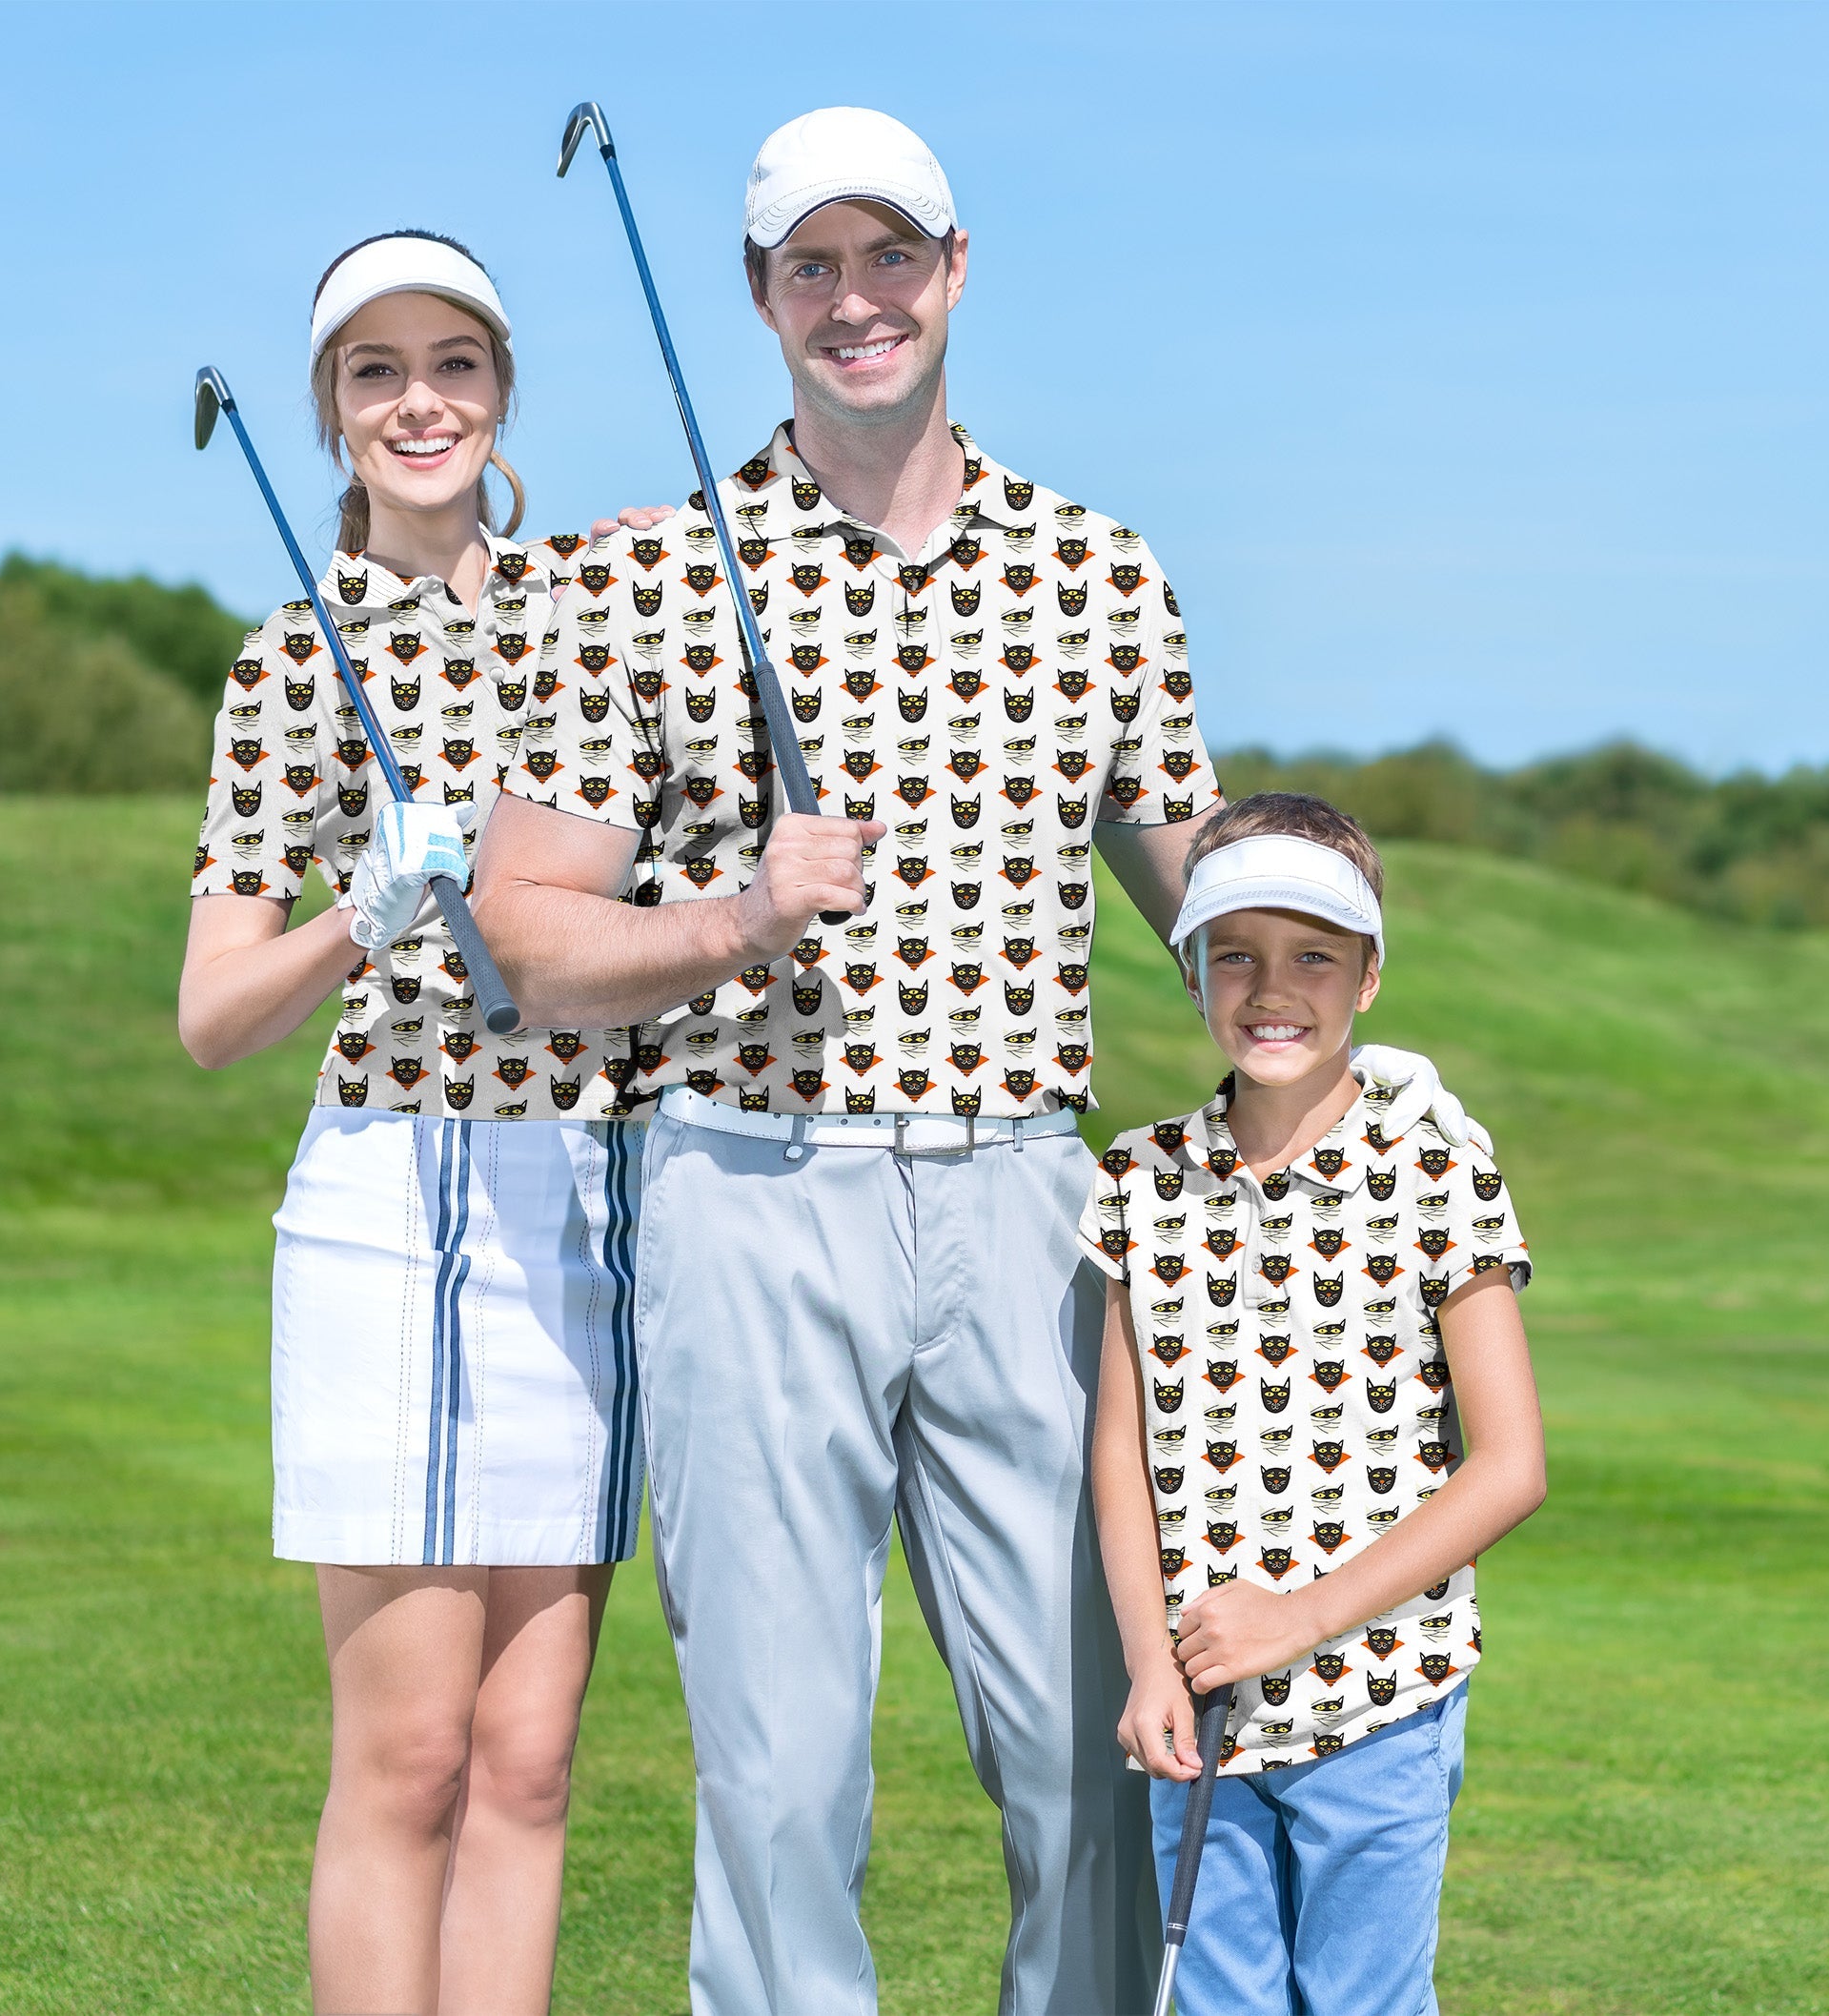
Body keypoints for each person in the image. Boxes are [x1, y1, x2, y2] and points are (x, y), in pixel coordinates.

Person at [472, 108, 1223, 2013]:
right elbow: (528, 930)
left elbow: (1201, 902)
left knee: (1083, 1747)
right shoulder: (651, 578)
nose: (855, 298)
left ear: (954, 271)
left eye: (889, 255)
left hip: (1026, 1197)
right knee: (782, 1771)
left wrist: (1324, 945)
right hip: (749, 1187)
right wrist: (733, 917)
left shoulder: (1099, 573)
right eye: (812, 264)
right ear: (759, 295)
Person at [178, 230, 669, 2016]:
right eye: (374, 370)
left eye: (452, 363)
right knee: (410, 1756)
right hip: (387, 1198)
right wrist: (355, 916)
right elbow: (213, 1015)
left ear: (502, 390)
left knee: (528, 1758)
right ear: (331, 409)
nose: (418, 401)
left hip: (577, 1198)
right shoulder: (283, 663)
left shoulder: (604, 615)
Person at [1081, 792, 1548, 2016]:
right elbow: (1119, 1453)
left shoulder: (1438, 1170)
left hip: (1382, 1695)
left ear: (1369, 977)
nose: (1271, 989)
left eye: (1314, 958)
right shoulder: (1140, 1177)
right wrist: (1147, 1664)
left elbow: (1511, 1466)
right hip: (1198, 1706)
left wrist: (1299, 1620)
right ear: (1190, 970)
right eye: (1235, 954)